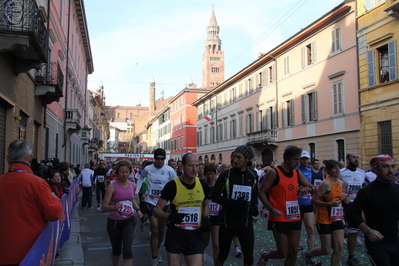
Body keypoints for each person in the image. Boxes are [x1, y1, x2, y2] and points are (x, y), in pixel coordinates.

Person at [0, 140, 62, 265]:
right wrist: (55, 199)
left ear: (7, 159)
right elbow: (54, 214)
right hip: (31, 253)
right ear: (30, 158)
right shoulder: (37, 183)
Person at [257, 145, 316, 266]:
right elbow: (261, 191)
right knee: (283, 252)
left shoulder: (297, 173)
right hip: (278, 217)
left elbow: (311, 187)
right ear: (287, 159)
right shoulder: (274, 172)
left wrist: (307, 189)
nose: (298, 162)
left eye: (299, 159)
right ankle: (265, 256)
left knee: (293, 250)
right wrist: (270, 209)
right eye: (295, 159)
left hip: (294, 216)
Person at [154, 153, 210, 266]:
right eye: (190, 165)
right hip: (176, 234)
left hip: (195, 233)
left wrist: (206, 217)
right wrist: (170, 217)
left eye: (196, 165)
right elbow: (157, 210)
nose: (195, 169)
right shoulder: (172, 186)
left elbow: (205, 205)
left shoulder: (203, 186)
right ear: (183, 166)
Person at [347, 155, 399, 266]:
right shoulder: (367, 191)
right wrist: (367, 230)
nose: (390, 170)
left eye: (392, 167)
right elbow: (352, 212)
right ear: (375, 169)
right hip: (376, 241)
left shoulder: (396, 188)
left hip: (395, 238)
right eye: (385, 167)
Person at [212, 145, 259, 266]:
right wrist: (232, 202)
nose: (235, 160)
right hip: (228, 222)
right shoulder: (226, 175)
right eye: (234, 157)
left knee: (249, 258)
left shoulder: (253, 175)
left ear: (247, 159)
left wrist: (254, 206)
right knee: (222, 255)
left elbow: (254, 194)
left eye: (239, 157)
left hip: (245, 222)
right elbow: (215, 196)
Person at [302, 160, 350, 266]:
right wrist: (329, 204)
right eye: (334, 168)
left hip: (337, 218)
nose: (337, 170)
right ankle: (308, 255)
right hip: (324, 219)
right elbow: (314, 200)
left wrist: (344, 199)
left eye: (338, 167)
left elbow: (338, 197)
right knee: (326, 250)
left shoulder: (340, 182)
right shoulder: (325, 183)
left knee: (338, 248)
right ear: (328, 171)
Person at [135, 148, 177, 266]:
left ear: (164, 159)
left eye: (162, 159)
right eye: (157, 158)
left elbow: (176, 184)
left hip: (164, 203)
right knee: (154, 229)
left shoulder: (169, 170)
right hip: (151, 201)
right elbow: (141, 178)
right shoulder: (148, 169)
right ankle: (154, 257)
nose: (159, 161)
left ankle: (158, 249)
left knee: (161, 229)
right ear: (154, 158)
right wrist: (137, 191)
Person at [103, 160, 143, 266]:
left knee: (128, 251)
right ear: (117, 172)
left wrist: (138, 210)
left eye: (126, 172)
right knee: (116, 250)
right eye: (121, 172)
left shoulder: (132, 186)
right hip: (114, 222)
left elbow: (131, 199)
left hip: (129, 221)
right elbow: (104, 206)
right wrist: (114, 207)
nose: (124, 175)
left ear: (130, 172)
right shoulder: (112, 186)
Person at [338, 152, 366, 266]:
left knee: (355, 230)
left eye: (357, 157)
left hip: (359, 204)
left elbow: (363, 189)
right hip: (347, 205)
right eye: (353, 157)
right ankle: (351, 256)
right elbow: (336, 187)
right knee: (352, 231)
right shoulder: (341, 173)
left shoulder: (362, 173)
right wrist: (343, 198)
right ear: (348, 160)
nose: (356, 159)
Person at [296, 151, 316, 252]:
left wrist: (310, 189)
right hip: (296, 204)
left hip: (308, 203)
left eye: (306, 159)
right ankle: (293, 248)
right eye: (302, 159)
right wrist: (300, 188)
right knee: (296, 231)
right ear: (299, 159)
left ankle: (310, 254)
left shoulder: (310, 171)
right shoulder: (295, 170)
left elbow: (311, 186)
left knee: (311, 229)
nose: (304, 161)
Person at [202, 163, 220, 264]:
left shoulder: (219, 185)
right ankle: (202, 252)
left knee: (216, 244)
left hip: (217, 216)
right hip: (206, 217)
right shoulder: (202, 185)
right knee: (205, 241)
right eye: (208, 174)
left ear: (215, 174)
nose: (210, 176)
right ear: (205, 174)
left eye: (212, 174)